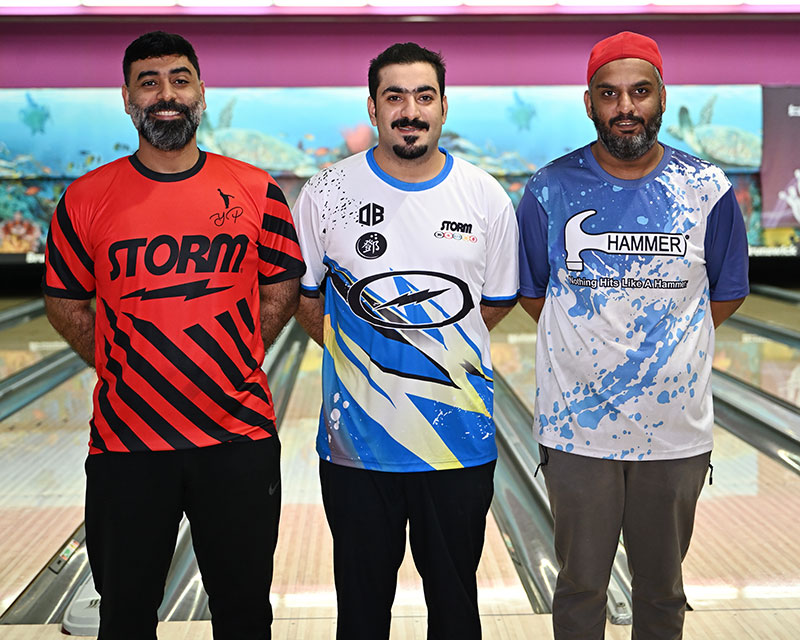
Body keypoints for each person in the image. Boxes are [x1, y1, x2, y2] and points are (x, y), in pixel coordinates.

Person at [43, 31, 305, 640]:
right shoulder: (85, 198)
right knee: (125, 615)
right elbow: (64, 302)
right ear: (127, 98)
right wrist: (121, 365)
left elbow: (282, 289)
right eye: (149, 82)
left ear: (201, 93)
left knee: (245, 613)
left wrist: (237, 358)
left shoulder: (256, 189)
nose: (166, 94)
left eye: (180, 80)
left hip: (237, 438)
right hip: (127, 444)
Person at [517, 31, 749, 640]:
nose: (626, 107)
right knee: (579, 588)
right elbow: (534, 292)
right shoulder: (548, 189)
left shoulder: (708, 189)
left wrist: (668, 346)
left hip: (675, 431)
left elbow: (726, 292)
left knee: (663, 591)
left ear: (662, 98)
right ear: (589, 102)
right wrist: (587, 343)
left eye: (640, 92)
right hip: (577, 429)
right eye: (610, 93)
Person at [293, 42, 519, 640]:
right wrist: (362, 355)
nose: (410, 110)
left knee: (455, 610)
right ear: (373, 107)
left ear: (444, 106)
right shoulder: (326, 192)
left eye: (424, 96)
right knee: (361, 615)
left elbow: (494, 303)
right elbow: (305, 298)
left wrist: (430, 352)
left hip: (458, 446)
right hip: (357, 448)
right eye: (394, 97)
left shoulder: (484, 195)